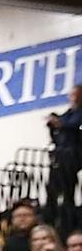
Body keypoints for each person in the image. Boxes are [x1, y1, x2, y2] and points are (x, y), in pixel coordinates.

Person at [47, 84, 82, 223]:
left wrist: (59, 123)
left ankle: (68, 213)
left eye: (75, 94)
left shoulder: (78, 113)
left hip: (72, 155)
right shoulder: (69, 112)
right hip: (61, 155)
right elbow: (62, 124)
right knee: (53, 186)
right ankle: (52, 213)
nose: (71, 97)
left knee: (68, 187)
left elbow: (73, 125)